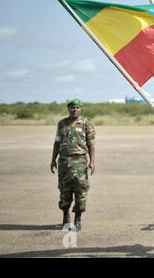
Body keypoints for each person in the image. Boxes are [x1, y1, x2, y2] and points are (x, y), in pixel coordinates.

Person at [50, 98, 95, 231]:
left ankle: (78, 219)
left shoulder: (87, 124)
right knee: (64, 191)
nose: (74, 109)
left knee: (80, 191)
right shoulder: (61, 124)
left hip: (80, 162)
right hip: (63, 162)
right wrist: (53, 160)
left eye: (77, 107)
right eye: (72, 107)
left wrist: (92, 162)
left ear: (81, 110)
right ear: (68, 109)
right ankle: (65, 217)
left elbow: (91, 145)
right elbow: (57, 143)